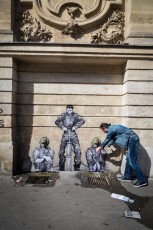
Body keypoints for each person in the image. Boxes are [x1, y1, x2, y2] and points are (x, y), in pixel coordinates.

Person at [96, 123, 148, 187]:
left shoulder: (111, 129)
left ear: (104, 128)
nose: (103, 132)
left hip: (132, 140)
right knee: (128, 159)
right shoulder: (113, 129)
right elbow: (112, 139)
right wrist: (106, 146)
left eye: (103, 130)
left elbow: (108, 138)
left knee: (133, 161)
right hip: (130, 140)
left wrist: (100, 147)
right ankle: (127, 176)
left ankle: (142, 180)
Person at [55, 104, 85, 171]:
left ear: (72, 110)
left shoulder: (75, 115)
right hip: (65, 134)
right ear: (66, 109)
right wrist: (62, 127)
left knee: (77, 150)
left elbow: (82, 120)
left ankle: (77, 166)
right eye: (68, 110)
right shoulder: (63, 115)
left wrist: (76, 126)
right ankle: (61, 166)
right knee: (61, 151)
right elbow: (56, 121)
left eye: (70, 110)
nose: (69, 111)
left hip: (72, 133)